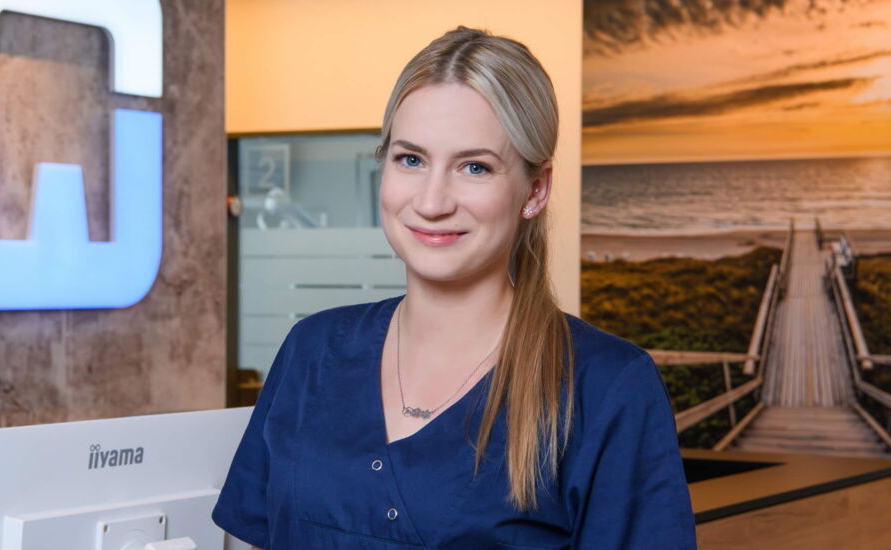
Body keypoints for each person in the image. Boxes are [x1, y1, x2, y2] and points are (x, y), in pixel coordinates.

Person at [212, 26, 697, 549]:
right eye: (411, 159)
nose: (432, 201)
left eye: (474, 167)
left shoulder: (606, 387)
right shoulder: (313, 351)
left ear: (535, 190)